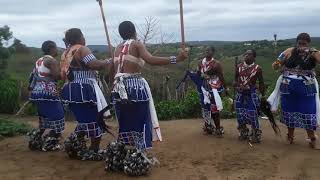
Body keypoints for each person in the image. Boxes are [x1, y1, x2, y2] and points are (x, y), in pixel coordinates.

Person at [112, 21, 188, 151]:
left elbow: (113, 71)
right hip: (134, 87)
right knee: (140, 119)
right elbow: (151, 60)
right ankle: (139, 153)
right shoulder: (137, 44)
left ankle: (127, 150)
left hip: (117, 88)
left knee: (125, 121)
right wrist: (177, 58)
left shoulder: (117, 48)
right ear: (134, 32)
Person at [60, 28, 111, 159]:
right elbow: (94, 64)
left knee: (84, 118)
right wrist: (108, 62)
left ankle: (75, 144)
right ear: (80, 37)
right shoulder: (82, 49)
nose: (84, 38)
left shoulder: (66, 52)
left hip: (70, 89)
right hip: (84, 89)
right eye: (83, 36)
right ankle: (94, 150)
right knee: (95, 118)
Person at [268, 33, 320, 148]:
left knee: (308, 112)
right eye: (299, 43)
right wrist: (278, 64)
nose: (301, 46)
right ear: (296, 42)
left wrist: (313, 54)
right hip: (288, 86)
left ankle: (312, 138)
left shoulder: (314, 52)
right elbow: (275, 65)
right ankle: (290, 136)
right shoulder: (289, 51)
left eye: (304, 44)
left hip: (307, 87)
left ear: (308, 43)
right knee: (289, 111)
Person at [28, 40, 64, 151]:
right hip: (48, 92)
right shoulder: (51, 61)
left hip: (37, 92)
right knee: (59, 118)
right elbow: (57, 76)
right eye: (56, 47)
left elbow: (33, 76)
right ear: (51, 48)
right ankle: (50, 144)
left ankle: (35, 140)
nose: (57, 49)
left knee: (44, 119)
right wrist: (64, 71)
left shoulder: (39, 60)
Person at [234, 49, 265, 143]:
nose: (247, 56)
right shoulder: (239, 67)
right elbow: (235, 80)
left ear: (254, 57)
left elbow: (261, 83)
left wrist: (263, 95)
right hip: (240, 94)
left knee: (252, 113)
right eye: (246, 54)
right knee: (240, 114)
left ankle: (256, 133)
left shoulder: (257, 69)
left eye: (249, 54)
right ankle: (243, 132)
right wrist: (236, 86)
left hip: (251, 93)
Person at [195, 46, 226, 136]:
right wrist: (200, 75)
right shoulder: (200, 63)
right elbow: (198, 74)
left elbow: (221, 76)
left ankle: (218, 128)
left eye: (209, 50)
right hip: (204, 88)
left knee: (214, 109)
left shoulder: (216, 64)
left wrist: (226, 88)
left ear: (213, 52)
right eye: (206, 50)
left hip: (214, 88)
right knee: (205, 108)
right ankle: (208, 126)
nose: (207, 51)